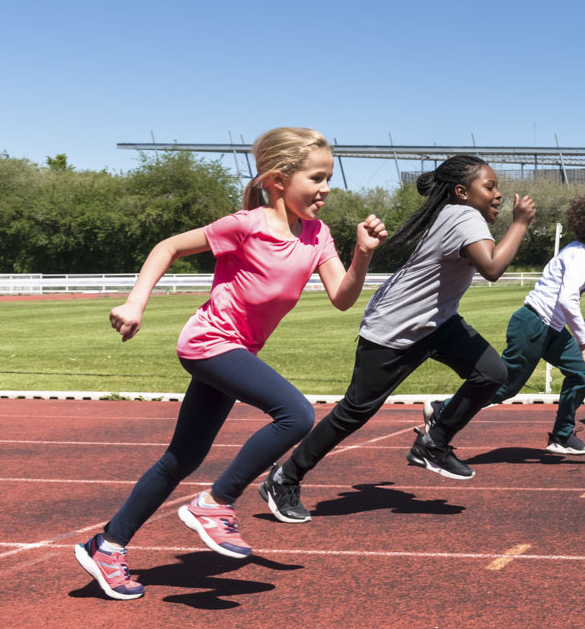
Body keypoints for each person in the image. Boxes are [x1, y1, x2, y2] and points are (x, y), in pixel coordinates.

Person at [74, 127, 387, 600]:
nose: (326, 188)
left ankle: (108, 545)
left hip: (237, 350)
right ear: (280, 180)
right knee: (296, 413)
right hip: (208, 342)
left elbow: (343, 298)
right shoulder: (247, 223)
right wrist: (135, 304)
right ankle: (214, 503)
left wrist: (363, 253)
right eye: (317, 177)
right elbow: (168, 247)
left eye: (329, 177)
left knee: (183, 458)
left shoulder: (318, 235)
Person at [257, 155, 534, 524]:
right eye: (490, 187)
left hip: (437, 323)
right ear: (462, 192)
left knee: (492, 372)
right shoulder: (465, 216)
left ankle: (433, 442)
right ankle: (284, 477)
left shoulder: (457, 213)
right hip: (396, 327)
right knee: (354, 412)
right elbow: (493, 267)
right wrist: (520, 222)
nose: (498, 195)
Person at [420, 192, 585, 456]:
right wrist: (582, 339)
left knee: (581, 372)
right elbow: (565, 298)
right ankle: (442, 409)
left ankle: (562, 436)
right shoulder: (582, 257)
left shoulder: (578, 253)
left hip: (548, 328)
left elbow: (559, 297)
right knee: (504, 387)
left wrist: (580, 321)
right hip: (532, 326)